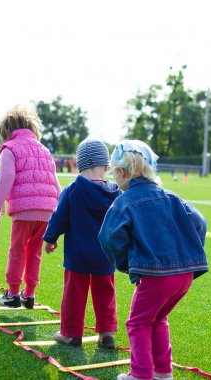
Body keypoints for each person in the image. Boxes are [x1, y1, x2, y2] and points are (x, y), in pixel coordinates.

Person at [98, 140, 208, 380]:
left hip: (156, 276)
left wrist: (127, 264)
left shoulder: (124, 202)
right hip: (184, 276)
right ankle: (162, 372)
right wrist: (189, 253)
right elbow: (200, 222)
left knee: (137, 323)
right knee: (158, 319)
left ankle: (140, 374)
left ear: (123, 172)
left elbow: (108, 237)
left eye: (115, 173)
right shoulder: (172, 197)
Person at [43, 138, 122, 348]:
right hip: (106, 255)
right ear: (106, 166)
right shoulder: (116, 192)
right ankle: (106, 333)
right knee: (106, 293)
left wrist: (50, 238)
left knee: (73, 294)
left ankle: (71, 333)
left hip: (77, 254)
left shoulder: (72, 190)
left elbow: (58, 217)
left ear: (78, 164)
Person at [0, 106, 61, 308]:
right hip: (47, 211)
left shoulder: (9, 148)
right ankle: (29, 294)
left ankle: (12, 294)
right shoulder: (44, 150)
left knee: (17, 251)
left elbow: (6, 178)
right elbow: (55, 182)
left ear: (6, 132)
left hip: (24, 210)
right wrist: (60, 214)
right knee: (34, 252)